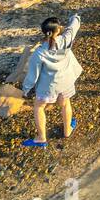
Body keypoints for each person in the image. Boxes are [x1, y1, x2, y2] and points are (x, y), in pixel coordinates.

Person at [21, 14, 83, 148]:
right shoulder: (66, 40)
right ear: (58, 30)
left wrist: (25, 90)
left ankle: (41, 138)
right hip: (65, 81)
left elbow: (32, 76)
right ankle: (67, 131)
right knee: (65, 104)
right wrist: (75, 17)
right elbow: (73, 27)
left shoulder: (39, 53)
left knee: (39, 107)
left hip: (48, 87)